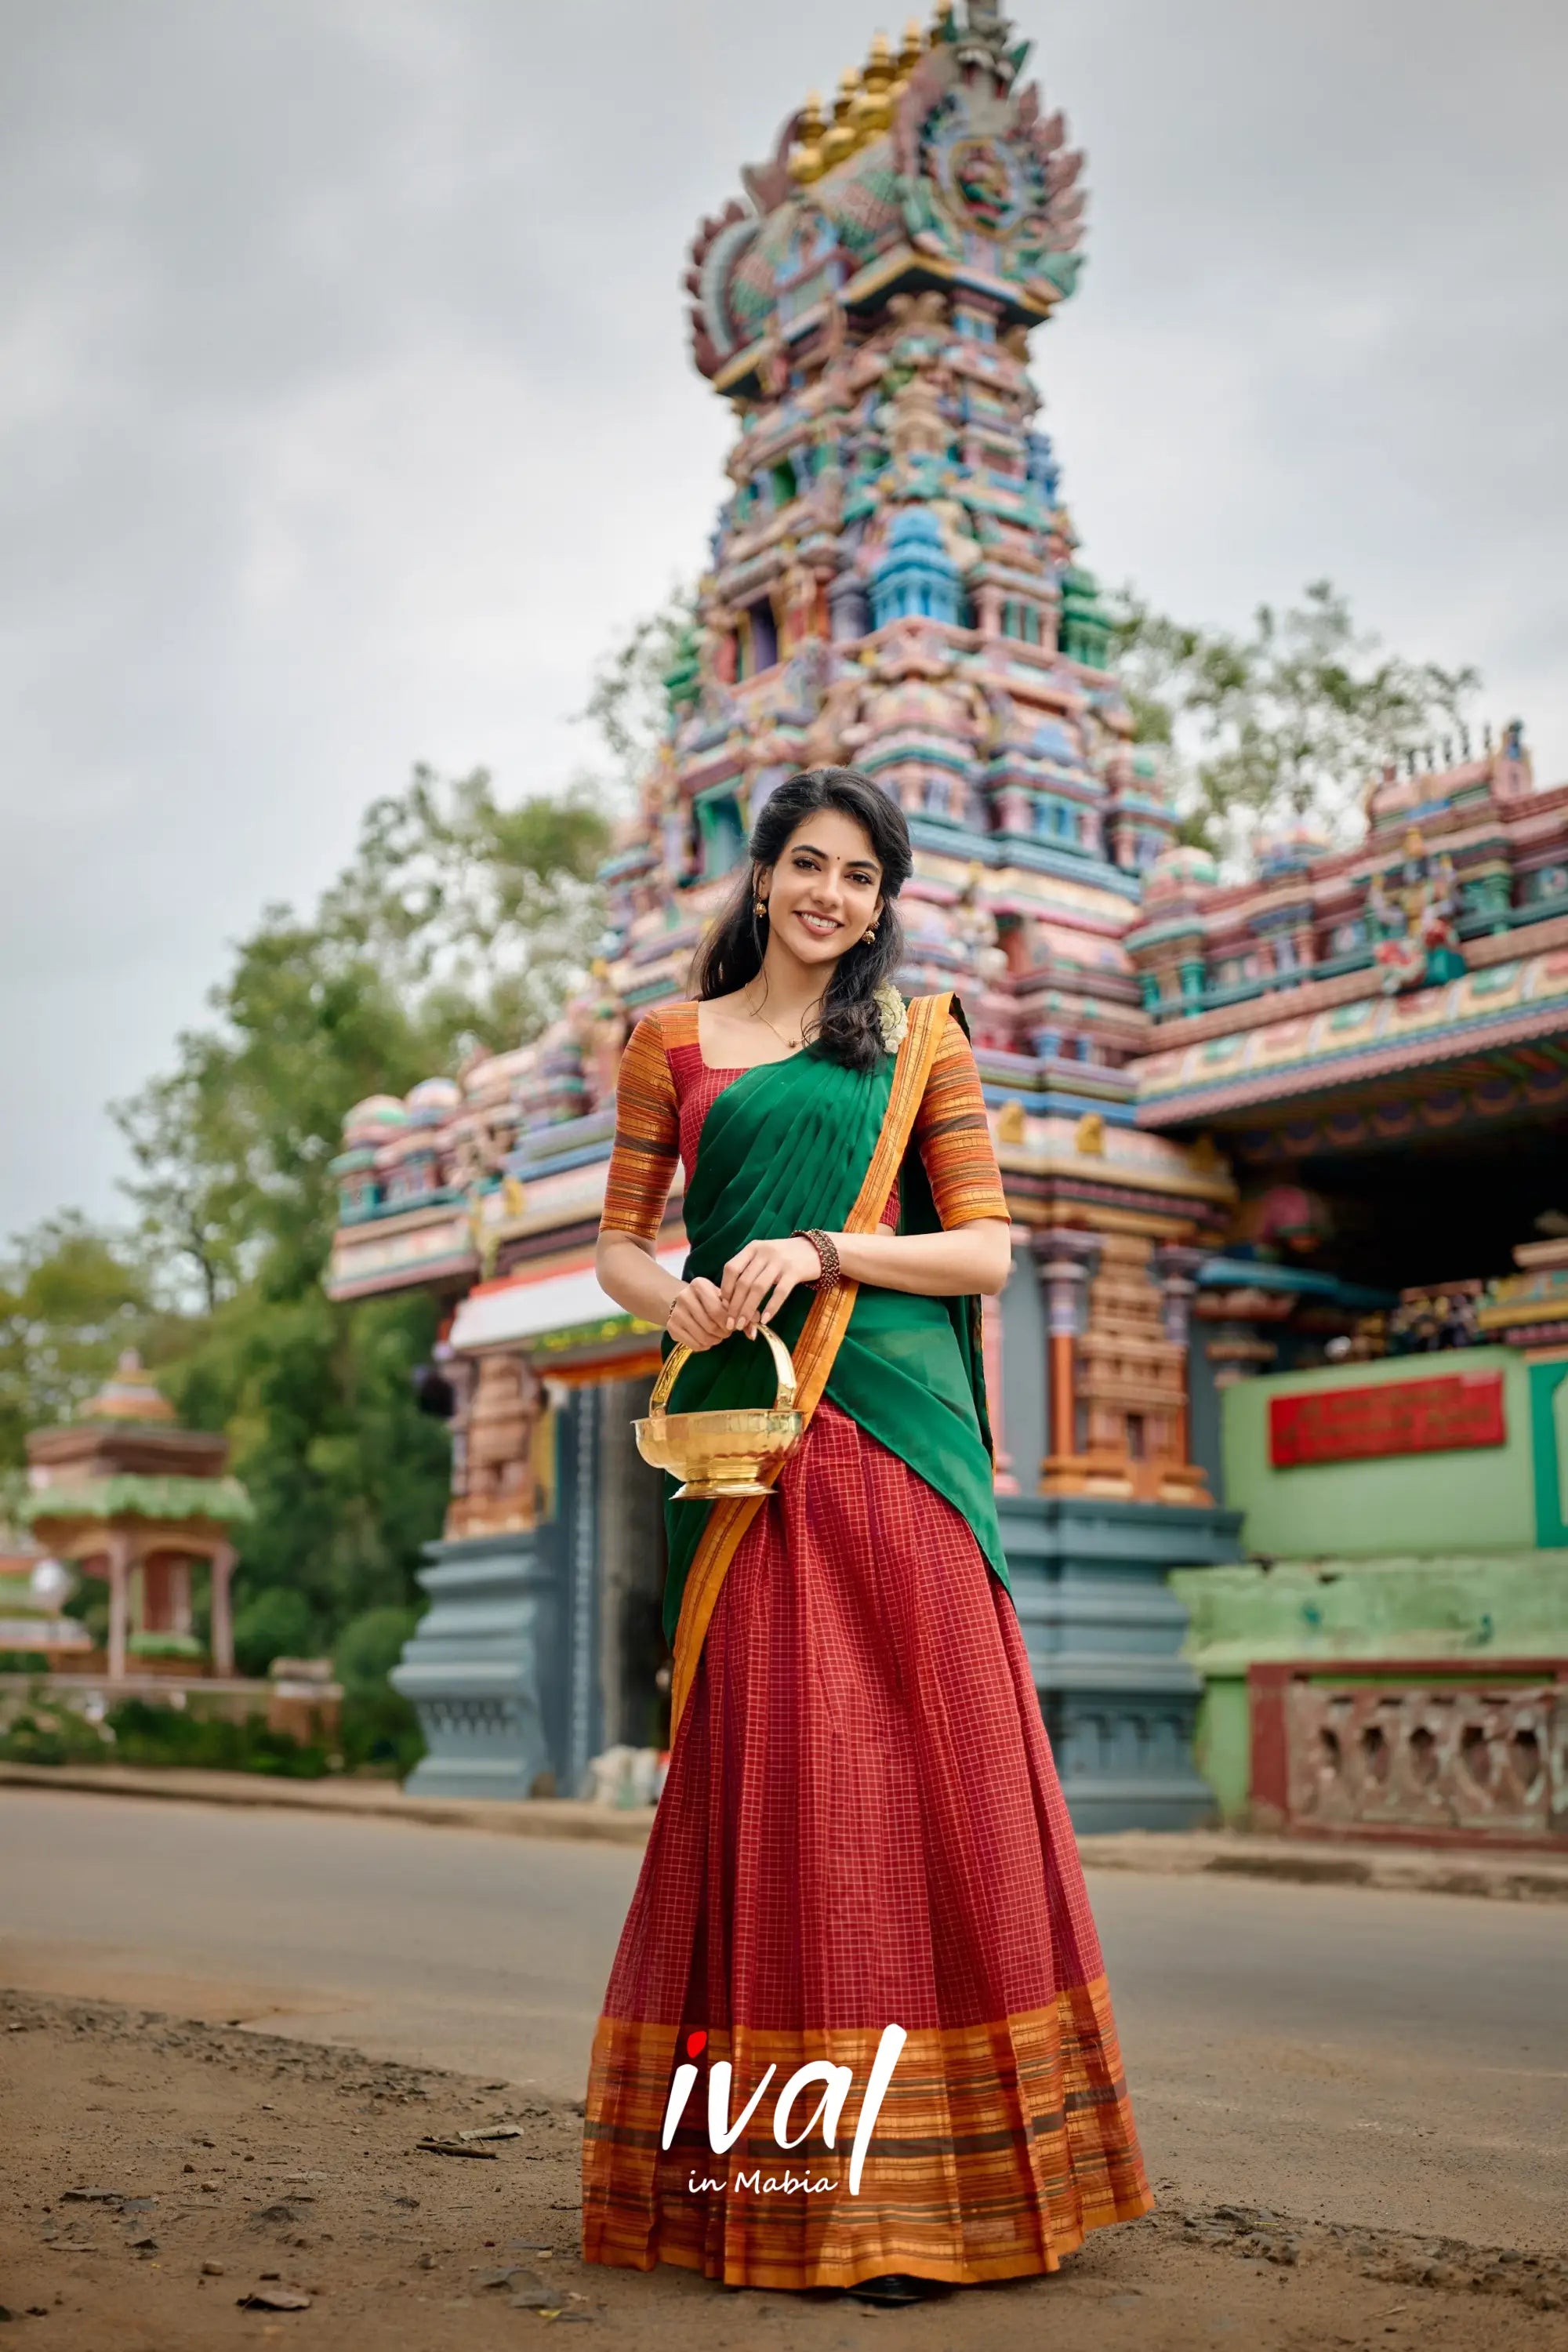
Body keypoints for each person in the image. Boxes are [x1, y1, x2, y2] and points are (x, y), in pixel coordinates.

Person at [583, 767, 1151, 2304]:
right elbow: (619, 1246)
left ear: (884, 902)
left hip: (897, 1433)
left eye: (863, 877)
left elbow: (982, 1251)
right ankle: (779, 2184)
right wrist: (683, 1297)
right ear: (760, 875)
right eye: (809, 865)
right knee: (785, 1789)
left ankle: (945, 2188)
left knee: (927, 1780)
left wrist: (825, 1245)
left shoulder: (917, 1042)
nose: (834, 895)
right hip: (748, 1440)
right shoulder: (670, 1045)